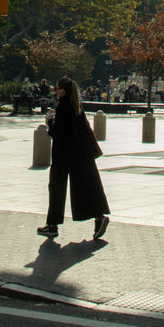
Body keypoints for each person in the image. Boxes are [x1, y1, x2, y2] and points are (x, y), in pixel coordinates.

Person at [38, 77, 110, 241]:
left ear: (63, 90)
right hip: (80, 154)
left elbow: (59, 133)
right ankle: (99, 217)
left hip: (64, 155)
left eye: (56, 89)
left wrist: (50, 123)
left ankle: (52, 225)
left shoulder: (63, 108)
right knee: (87, 187)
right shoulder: (76, 107)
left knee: (56, 189)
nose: (55, 92)